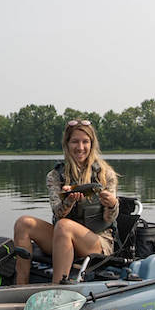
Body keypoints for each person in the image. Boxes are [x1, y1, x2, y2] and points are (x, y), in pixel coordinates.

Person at [14, 119, 119, 284]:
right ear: (67, 144)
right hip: (62, 238)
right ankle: (20, 286)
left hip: (96, 243)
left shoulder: (106, 175)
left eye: (85, 142)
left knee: (64, 226)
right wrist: (68, 202)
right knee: (23, 223)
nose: (80, 147)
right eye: (75, 142)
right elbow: (58, 213)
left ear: (91, 144)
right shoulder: (55, 176)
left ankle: (56, 289)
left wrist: (112, 204)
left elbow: (108, 219)